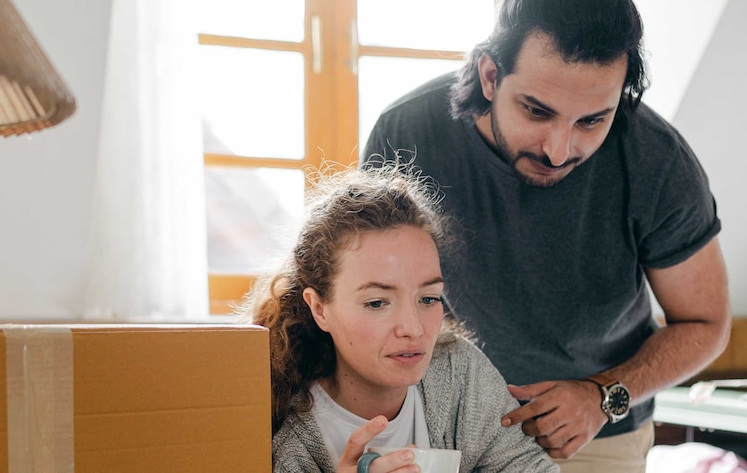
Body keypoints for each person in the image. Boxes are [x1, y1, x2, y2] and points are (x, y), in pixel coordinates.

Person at [361, 0, 732, 472]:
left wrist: (604, 396)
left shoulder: (658, 160)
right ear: (489, 75)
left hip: (593, 434)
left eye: (592, 121)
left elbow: (706, 325)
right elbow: (369, 290)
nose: (559, 150)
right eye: (537, 111)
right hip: (437, 421)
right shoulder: (407, 133)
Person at [238, 164, 560, 472]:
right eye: (377, 302)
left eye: (429, 298)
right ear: (319, 308)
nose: (413, 328)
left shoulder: (460, 374)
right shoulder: (273, 421)